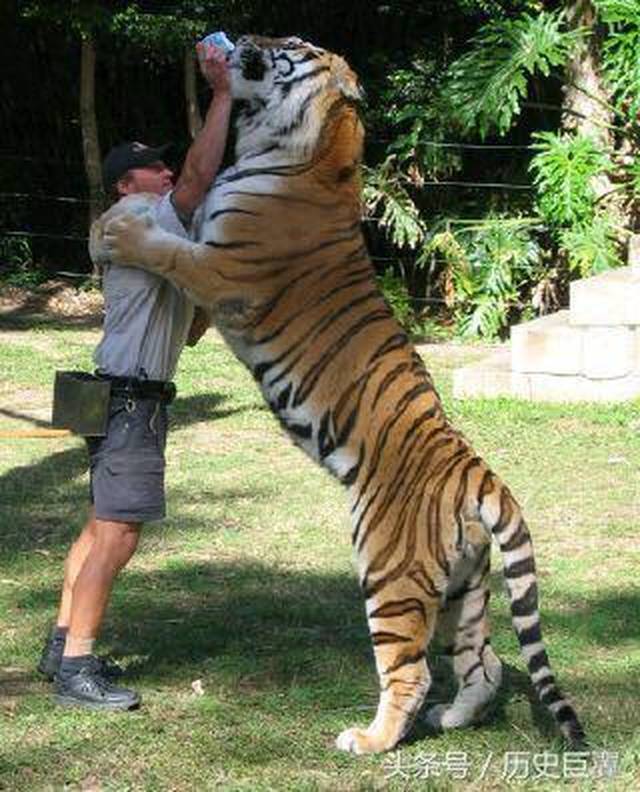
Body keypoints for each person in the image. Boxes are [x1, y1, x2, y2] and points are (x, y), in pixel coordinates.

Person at [37, 40, 232, 711]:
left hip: (112, 393)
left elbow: (196, 328)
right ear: (128, 185)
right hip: (127, 400)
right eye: (153, 170)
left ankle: (64, 645)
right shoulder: (133, 218)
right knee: (118, 533)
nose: (166, 173)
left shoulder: (155, 238)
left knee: (99, 526)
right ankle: (79, 671)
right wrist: (225, 95)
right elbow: (201, 180)